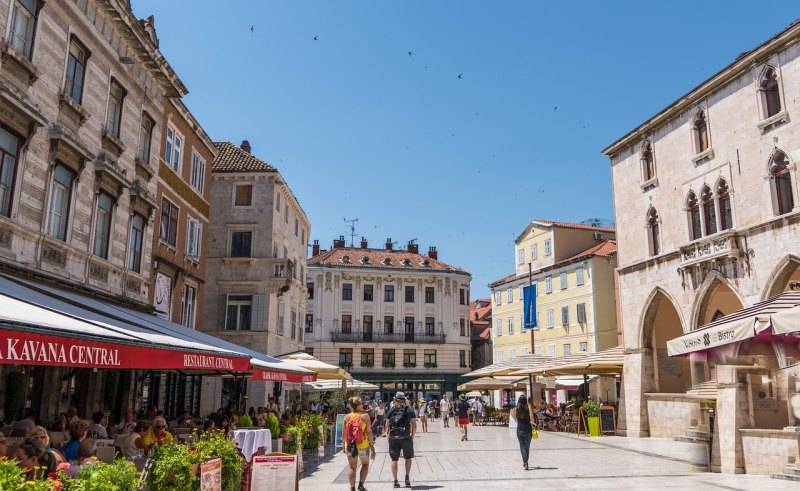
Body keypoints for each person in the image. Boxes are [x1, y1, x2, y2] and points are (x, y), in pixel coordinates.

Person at [342, 397, 374, 491]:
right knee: (365, 464)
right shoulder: (365, 416)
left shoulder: (347, 417)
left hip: (350, 445)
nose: (363, 405)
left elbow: (344, 433)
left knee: (352, 466)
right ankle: (361, 485)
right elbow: (369, 432)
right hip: (362, 444)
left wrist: (344, 446)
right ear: (359, 405)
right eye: (362, 404)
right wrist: (372, 446)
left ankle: (352, 488)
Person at [385, 392, 416, 488]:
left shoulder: (391, 410)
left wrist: (388, 436)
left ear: (395, 400)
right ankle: (407, 476)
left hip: (394, 438)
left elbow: (387, 426)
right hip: (406, 437)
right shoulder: (409, 410)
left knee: (394, 459)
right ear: (404, 400)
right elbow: (414, 425)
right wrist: (412, 436)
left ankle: (395, 481)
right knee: (408, 458)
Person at [514, 395, 534, 470]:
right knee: (527, 446)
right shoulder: (528, 409)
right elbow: (532, 420)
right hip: (528, 430)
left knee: (522, 446)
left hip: (520, 430)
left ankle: (525, 462)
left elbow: (515, 419)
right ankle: (525, 461)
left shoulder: (516, 409)